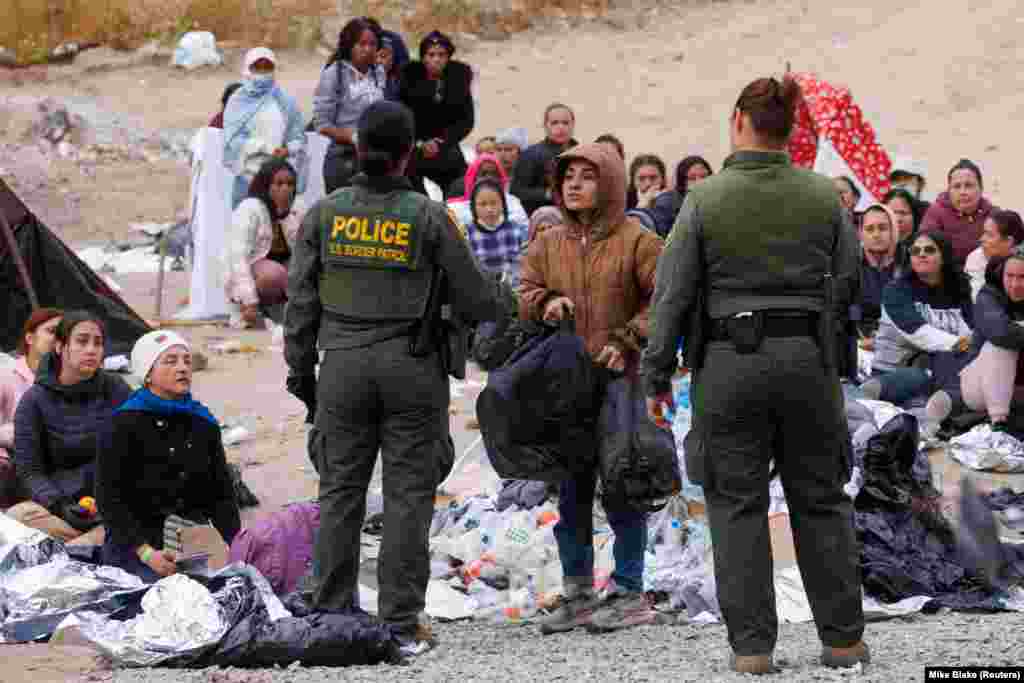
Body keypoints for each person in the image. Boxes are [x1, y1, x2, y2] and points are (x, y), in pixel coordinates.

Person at [641, 76, 866, 673]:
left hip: (729, 367)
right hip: (808, 365)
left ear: (740, 118)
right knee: (821, 501)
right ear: (792, 126)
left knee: (736, 505)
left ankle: (753, 653)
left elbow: (671, 295)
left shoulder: (705, 199)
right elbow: (849, 285)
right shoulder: (825, 198)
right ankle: (843, 642)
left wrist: (656, 371)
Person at [284, 100, 501, 654]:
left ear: (358, 148)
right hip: (412, 369)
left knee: (340, 492)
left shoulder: (325, 214)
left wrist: (301, 377)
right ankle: (401, 621)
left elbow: (300, 307)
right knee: (408, 496)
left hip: (342, 368)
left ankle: (331, 609)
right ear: (408, 152)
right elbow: (478, 298)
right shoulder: (428, 216)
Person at [520, 142, 663, 634]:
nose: (575, 184)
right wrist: (546, 303)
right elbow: (523, 293)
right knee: (573, 490)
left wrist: (628, 339)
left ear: (610, 183)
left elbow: (662, 299)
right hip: (566, 385)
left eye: (587, 175)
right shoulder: (547, 243)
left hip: (620, 381)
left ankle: (629, 591)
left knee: (624, 484)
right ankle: (579, 592)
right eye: (568, 177)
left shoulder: (637, 240)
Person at [96, 331, 240, 582]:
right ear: (148, 373)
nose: (183, 367)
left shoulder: (202, 422)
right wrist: (146, 553)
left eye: (186, 360)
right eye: (171, 361)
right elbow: (109, 499)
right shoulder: (123, 423)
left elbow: (221, 494)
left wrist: (237, 545)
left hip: (189, 539)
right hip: (135, 544)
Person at [10, 312, 132, 544]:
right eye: (82, 341)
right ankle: (87, 548)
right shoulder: (34, 400)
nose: (91, 350)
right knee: (16, 518)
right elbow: (29, 471)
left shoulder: (117, 390)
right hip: (57, 510)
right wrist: (60, 505)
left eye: (98, 343)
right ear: (60, 346)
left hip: (108, 509)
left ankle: (81, 550)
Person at [864, 232, 974, 405]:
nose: (921, 254)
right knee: (923, 374)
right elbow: (919, 333)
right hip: (894, 372)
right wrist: (961, 344)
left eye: (929, 250)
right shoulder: (895, 291)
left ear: (943, 256)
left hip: (941, 366)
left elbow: (970, 330)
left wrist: (967, 345)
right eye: (915, 251)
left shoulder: (959, 291)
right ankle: (872, 393)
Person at [927, 252, 1024, 431]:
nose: (1015, 284)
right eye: (1010, 276)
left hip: (1016, 387)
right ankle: (998, 423)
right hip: (978, 383)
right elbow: (1001, 333)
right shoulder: (989, 295)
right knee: (1000, 345)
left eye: (1022, 277)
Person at [224, 159, 304, 329]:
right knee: (275, 275)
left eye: (290, 184)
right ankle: (248, 310)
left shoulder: (297, 210)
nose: (285, 189)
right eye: (279, 184)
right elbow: (238, 259)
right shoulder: (249, 209)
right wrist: (249, 300)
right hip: (252, 275)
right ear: (266, 186)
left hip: (283, 270)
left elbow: (304, 253)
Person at [223, 48, 306, 209]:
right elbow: (232, 141)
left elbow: (299, 139)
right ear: (247, 69)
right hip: (247, 180)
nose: (262, 72)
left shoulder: (285, 102)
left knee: (278, 231)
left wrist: (287, 150)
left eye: (267, 67)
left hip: (278, 185)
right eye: (257, 67)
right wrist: (264, 148)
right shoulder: (237, 102)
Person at [314, 18, 387, 194]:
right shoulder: (334, 74)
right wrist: (353, 136)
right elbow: (322, 124)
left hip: (375, 158)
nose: (368, 49)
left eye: (372, 44)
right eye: (361, 44)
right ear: (349, 45)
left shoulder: (378, 72)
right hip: (343, 158)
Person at [399, 31, 475, 199]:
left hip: (446, 146)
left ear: (448, 57)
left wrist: (441, 142)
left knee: (461, 189)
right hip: (415, 149)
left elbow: (466, 120)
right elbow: (402, 116)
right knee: (412, 194)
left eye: (441, 54)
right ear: (423, 57)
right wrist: (419, 143)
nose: (436, 59)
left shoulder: (459, 79)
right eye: (431, 54)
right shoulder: (408, 80)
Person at [0, 309, 62, 506]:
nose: (58, 339)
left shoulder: (72, 379)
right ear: (29, 338)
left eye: (64, 334)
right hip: (13, 464)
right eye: (52, 331)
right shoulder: (6, 376)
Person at [921, 159, 998, 266]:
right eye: (957, 186)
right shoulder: (935, 213)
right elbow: (926, 251)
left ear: (981, 189)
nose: (963, 192)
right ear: (949, 190)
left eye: (969, 185)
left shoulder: (994, 215)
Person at [512, 103, 578, 216]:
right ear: (545, 126)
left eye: (565, 123)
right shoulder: (530, 155)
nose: (560, 127)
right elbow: (517, 192)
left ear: (573, 125)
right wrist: (547, 194)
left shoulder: (582, 153)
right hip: (544, 221)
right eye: (554, 123)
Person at [465, 178, 529, 286]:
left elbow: (525, 263)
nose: (489, 209)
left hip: (515, 289)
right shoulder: (467, 234)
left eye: (494, 203)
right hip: (483, 291)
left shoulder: (516, 229)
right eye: (483, 204)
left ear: (503, 204)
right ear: (474, 207)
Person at [446, 152, 528, 227]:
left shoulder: (513, 203)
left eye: (494, 174)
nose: (489, 178)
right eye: (483, 173)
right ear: (473, 178)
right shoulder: (456, 209)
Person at [856, 205, 899, 345]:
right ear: (861, 233)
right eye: (869, 229)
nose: (876, 234)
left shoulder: (908, 262)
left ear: (893, 230)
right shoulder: (850, 265)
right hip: (860, 343)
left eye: (882, 228)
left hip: (901, 344)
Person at [647, 156, 712, 238]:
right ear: (682, 182)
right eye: (692, 178)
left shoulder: (716, 201)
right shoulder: (666, 203)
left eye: (704, 176)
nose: (700, 182)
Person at [965, 210, 1024, 301]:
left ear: (1009, 241)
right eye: (984, 233)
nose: (981, 239)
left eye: (989, 235)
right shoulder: (976, 258)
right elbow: (976, 298)